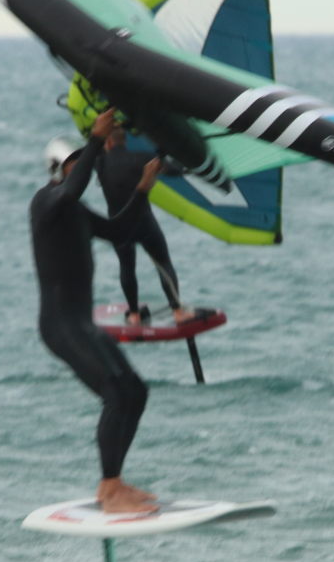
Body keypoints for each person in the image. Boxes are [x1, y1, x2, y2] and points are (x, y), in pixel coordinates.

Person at [31, 109, 165, 514]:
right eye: (73, 163)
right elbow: (71, 189)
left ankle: (115, 484)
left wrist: (142, 190)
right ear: (57, 169)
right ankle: (109, 488)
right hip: (60, 326)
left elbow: (120, 231)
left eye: (83, 162)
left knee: (135, 392)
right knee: (114, 394)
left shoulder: (76, 211)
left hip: (81, 324)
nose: (83, 170)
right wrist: (94, 140)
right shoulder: (46, 203)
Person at [94, 123, 209, 327]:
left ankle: (134, 315)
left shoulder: (100, 163)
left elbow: (90, 150)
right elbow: (176, 171)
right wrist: (163, 151)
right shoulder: (141, 159)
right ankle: (178, 312)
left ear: (108, 142)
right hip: (143, 223)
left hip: (118, 226)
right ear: (125, 141)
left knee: (127, 267)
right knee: (163, 263)